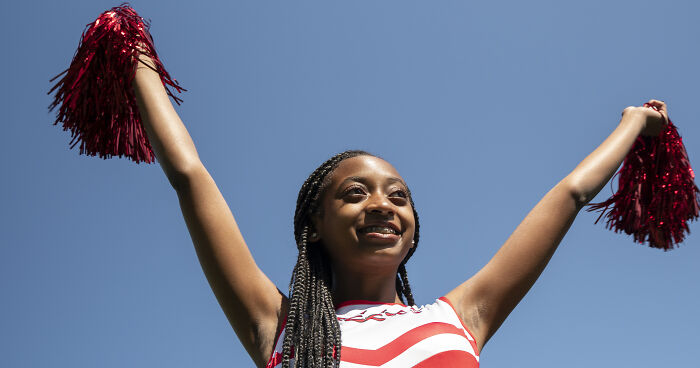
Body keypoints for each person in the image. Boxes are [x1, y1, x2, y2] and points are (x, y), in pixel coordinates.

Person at [132, 51, 668, 367]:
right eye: (355, 193)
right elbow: (189, 177)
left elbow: (571, 196)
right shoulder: (278, 326)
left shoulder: (459, 318)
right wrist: (134, 57)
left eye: (398, 195)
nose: (382, 206)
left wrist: (632, 124)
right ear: (313, 227)